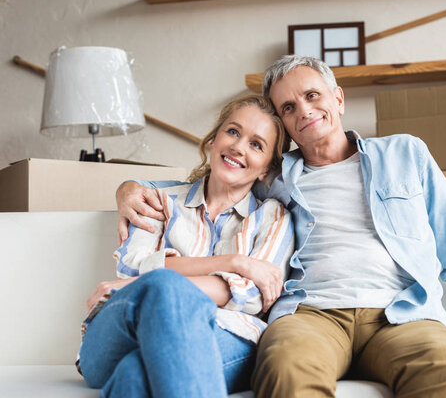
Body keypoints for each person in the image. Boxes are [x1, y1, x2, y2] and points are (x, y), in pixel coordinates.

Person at [117, 56, 446, 398]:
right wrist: (128, 188)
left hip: (403, 314)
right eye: (289, 107)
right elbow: (206, 178)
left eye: (313, 96)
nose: (305, 111)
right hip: (310, 316)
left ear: (338, 98)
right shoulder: (276, 175)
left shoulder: (405, 154)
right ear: (286, 127)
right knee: (285, 369)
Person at [78, 95, 294, 398]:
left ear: (265, 169)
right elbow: (135, 266)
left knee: (135, 372)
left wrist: (149, 283)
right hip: (120, 336)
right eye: (232, 132)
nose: (238, 147)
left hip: (225, 333)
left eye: (256, 144)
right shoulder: (157, 200)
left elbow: (251, 295)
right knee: (160, 286)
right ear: (213, 139)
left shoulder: (272, 217)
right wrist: (234, 263)